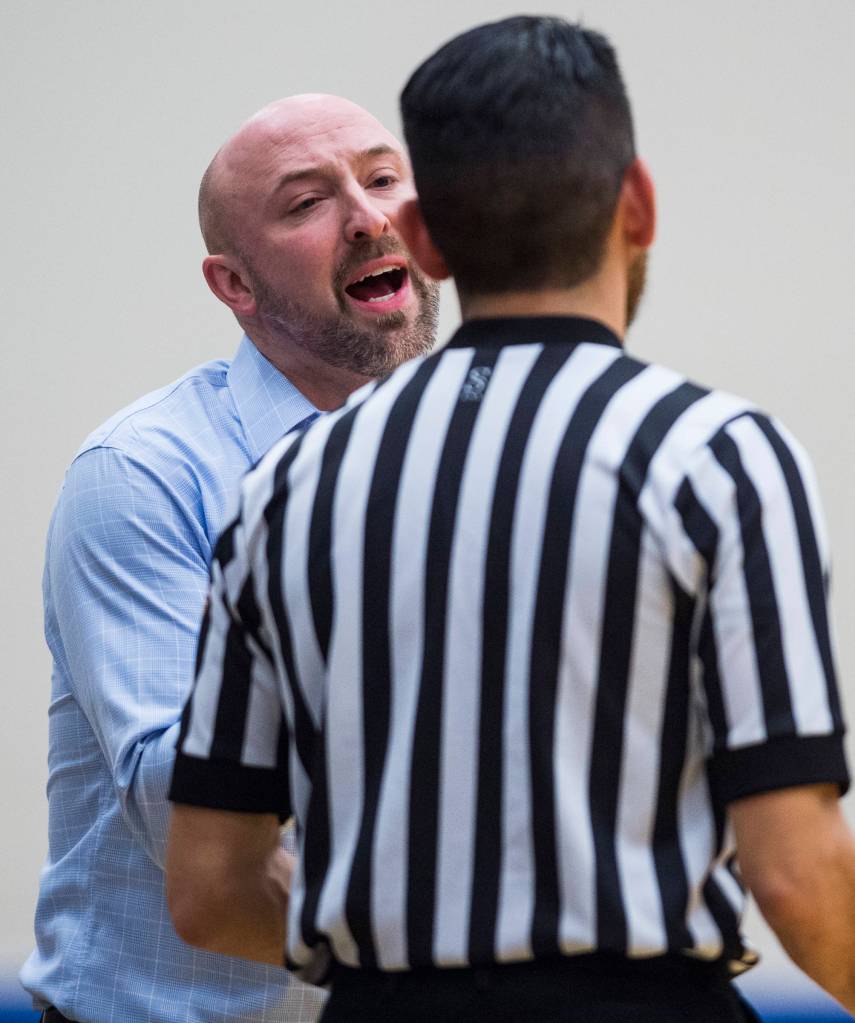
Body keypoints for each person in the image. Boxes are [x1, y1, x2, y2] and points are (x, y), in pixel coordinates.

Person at [166, 16, 855, 1023]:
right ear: (639, 206)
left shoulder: (287, 486)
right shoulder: (718, 457)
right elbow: (795, 873)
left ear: (428, 239)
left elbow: (209, 891)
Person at [21, 93, 439, 1023]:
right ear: (235, 286)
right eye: (307, 203)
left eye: (381, 179)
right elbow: (190, 827)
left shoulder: (505, 455)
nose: (368, 217)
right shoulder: (141, 476)